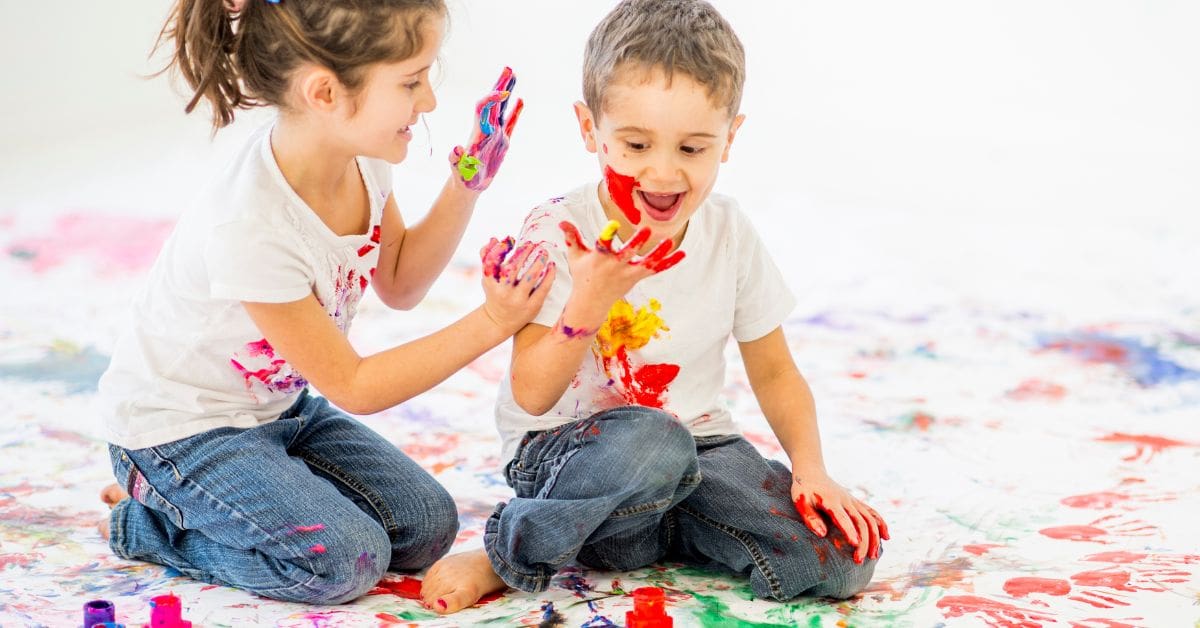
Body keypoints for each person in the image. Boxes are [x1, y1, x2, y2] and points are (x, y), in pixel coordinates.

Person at [421, 0, 888, 613]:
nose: (663, 173)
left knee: (843, 558)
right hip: (573, 462)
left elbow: (774, 369)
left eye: (693, 149)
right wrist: (590, 298)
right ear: (590, 130)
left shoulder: (728, 230)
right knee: (652, 440)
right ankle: (512, 549)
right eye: (636, 144)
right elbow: (532, 394)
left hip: (698, 456)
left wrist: (812, 471)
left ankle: (661, 531)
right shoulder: (559, 232)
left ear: (731, 138)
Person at [95, 0, 553, 605]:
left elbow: (400, 281)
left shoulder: (360, 161)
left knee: (426, 527)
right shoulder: (251, 225)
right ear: (325, 93)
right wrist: (494, 320)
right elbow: (357, 385)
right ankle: (147, 522)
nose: (430, 102)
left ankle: (214, 502)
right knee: (341, 563)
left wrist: (468, 180)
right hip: (179, 433)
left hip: (280, 412)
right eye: (412, 81)